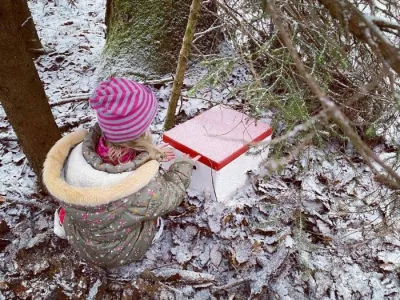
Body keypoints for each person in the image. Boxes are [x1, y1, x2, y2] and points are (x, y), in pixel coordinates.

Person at [43, 77, 198, 268]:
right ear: (139, 133)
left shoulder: (75, 156)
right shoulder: (140, 187)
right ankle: (150, 234)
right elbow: (171, 196)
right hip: (119, 252)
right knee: (152, 217)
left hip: (79, 237)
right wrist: (183, 165)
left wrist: (151, 155)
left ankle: (62, 222)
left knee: (83, 208)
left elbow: (122, 161)